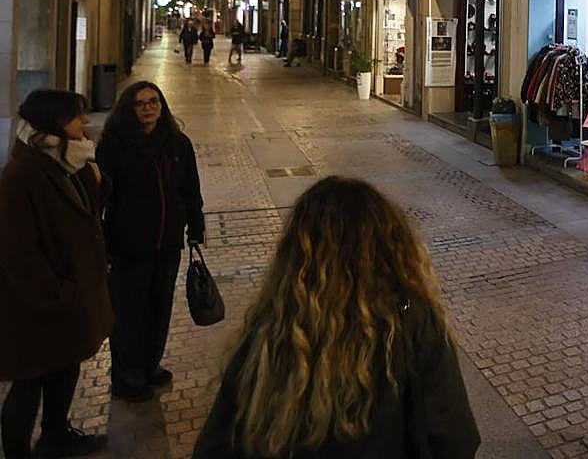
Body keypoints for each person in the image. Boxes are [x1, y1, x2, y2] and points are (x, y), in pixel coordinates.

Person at [193, 176, 480, 458]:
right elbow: (453, 435)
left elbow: (217, 442)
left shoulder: (272, 328)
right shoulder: (411, 319)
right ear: (390, 246)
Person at [0, 90, 111, 457]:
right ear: (55, 123)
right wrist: (59, 292)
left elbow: (88, 212)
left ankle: (56, 433)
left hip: (71, 288)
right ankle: (17, 452)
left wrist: (96, 177)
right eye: (78, 117)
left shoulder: (70, 161)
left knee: (65, 367)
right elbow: (16, 250)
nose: (85, 122)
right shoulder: (24, 172)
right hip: (38, 301)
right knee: (29, 381)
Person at [98, 82, 205, 402]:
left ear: (162, 105)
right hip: (128, 245)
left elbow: (189, 188)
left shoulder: (177, 144)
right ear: (129, 109)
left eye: (154, 101)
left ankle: (149, 365)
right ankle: (126, 375)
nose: (148, 107)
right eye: (140, 103)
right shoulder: (114, 147)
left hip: (168, 243)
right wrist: (103, 243)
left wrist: (195, 225)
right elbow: (101, 199)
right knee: (129, 311)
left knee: (160, 307)